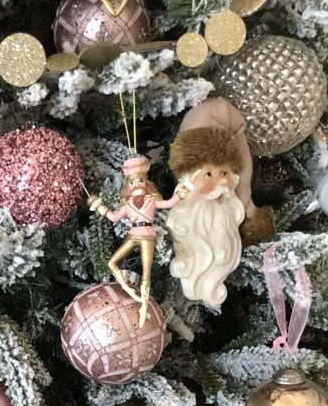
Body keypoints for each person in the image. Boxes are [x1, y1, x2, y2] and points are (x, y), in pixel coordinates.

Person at [88, 154, 180, 327]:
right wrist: (101, 208)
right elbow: (114, 218)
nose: (136, 185)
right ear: (128, 185)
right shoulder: (127, 204)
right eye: (132, 182)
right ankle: (128, 288)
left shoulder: (151, 200)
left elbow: (168, 204)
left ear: (146, 182)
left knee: (146, 274)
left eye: (140, 181)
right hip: (133, 234)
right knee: (112, 263)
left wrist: (181, 194)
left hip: (147, 235)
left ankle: (143, 307)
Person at [166, 127, 246, 308]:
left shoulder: (228, 210)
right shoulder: (185, 217)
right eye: (208, 174)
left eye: (224, 173)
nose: (220, 182)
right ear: (188, 181)